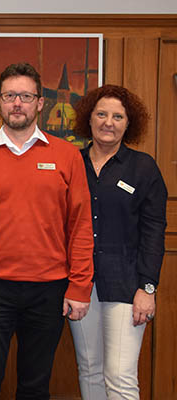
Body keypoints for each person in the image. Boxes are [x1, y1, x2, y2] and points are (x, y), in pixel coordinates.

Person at [0, 62, 94, 399]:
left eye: (26, 96)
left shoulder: (67, 156)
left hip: (49, 290)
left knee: (35, 386)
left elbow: (81, 225)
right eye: (10, 96)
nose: (18, 103)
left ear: (40, 103)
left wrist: (80, 285)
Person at [69, 85, 167, 400]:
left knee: (121, 376)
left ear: (128, 123)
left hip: (127, 286)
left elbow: (154, 230)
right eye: (101, 114)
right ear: (89, 118)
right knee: (90, 370)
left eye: (117, 116)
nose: (108, 122)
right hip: (80, 285)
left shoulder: (143, 167)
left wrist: (147, 289)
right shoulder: (73, 163)